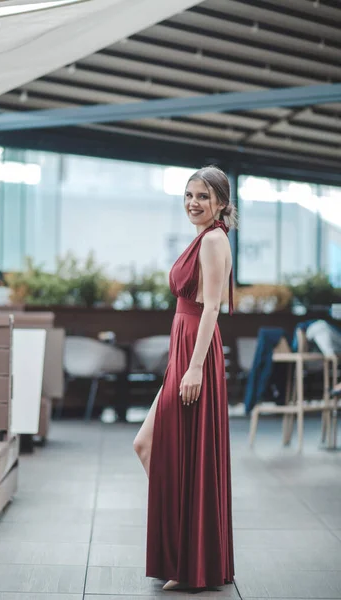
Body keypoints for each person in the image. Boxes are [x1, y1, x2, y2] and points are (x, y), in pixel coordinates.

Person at [133, 165, 236, 591]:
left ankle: (190, 559)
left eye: (203, 196)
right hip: (184, 348)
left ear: (221, 204)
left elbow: (212, 307)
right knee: (148, 444)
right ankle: (187, 549)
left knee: (165, 448)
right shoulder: (203, 237)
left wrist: (194, 367)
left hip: (196, 350)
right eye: (189, 194)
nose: (193, 202)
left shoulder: (213, 240)